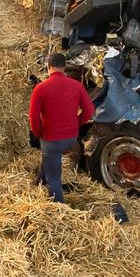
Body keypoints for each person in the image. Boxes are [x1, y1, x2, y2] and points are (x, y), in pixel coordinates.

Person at [28, 53, 95, 204]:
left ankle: (59, 208)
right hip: (71, 139)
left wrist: (38, 133)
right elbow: (90, 111)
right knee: (49, 156)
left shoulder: (40, 89)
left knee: (54, 178)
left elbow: (33, 117)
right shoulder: (77, 86)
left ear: (48, 67)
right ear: (64, 67)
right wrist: (76, 123)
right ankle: (41, 178)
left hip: (51, 139)